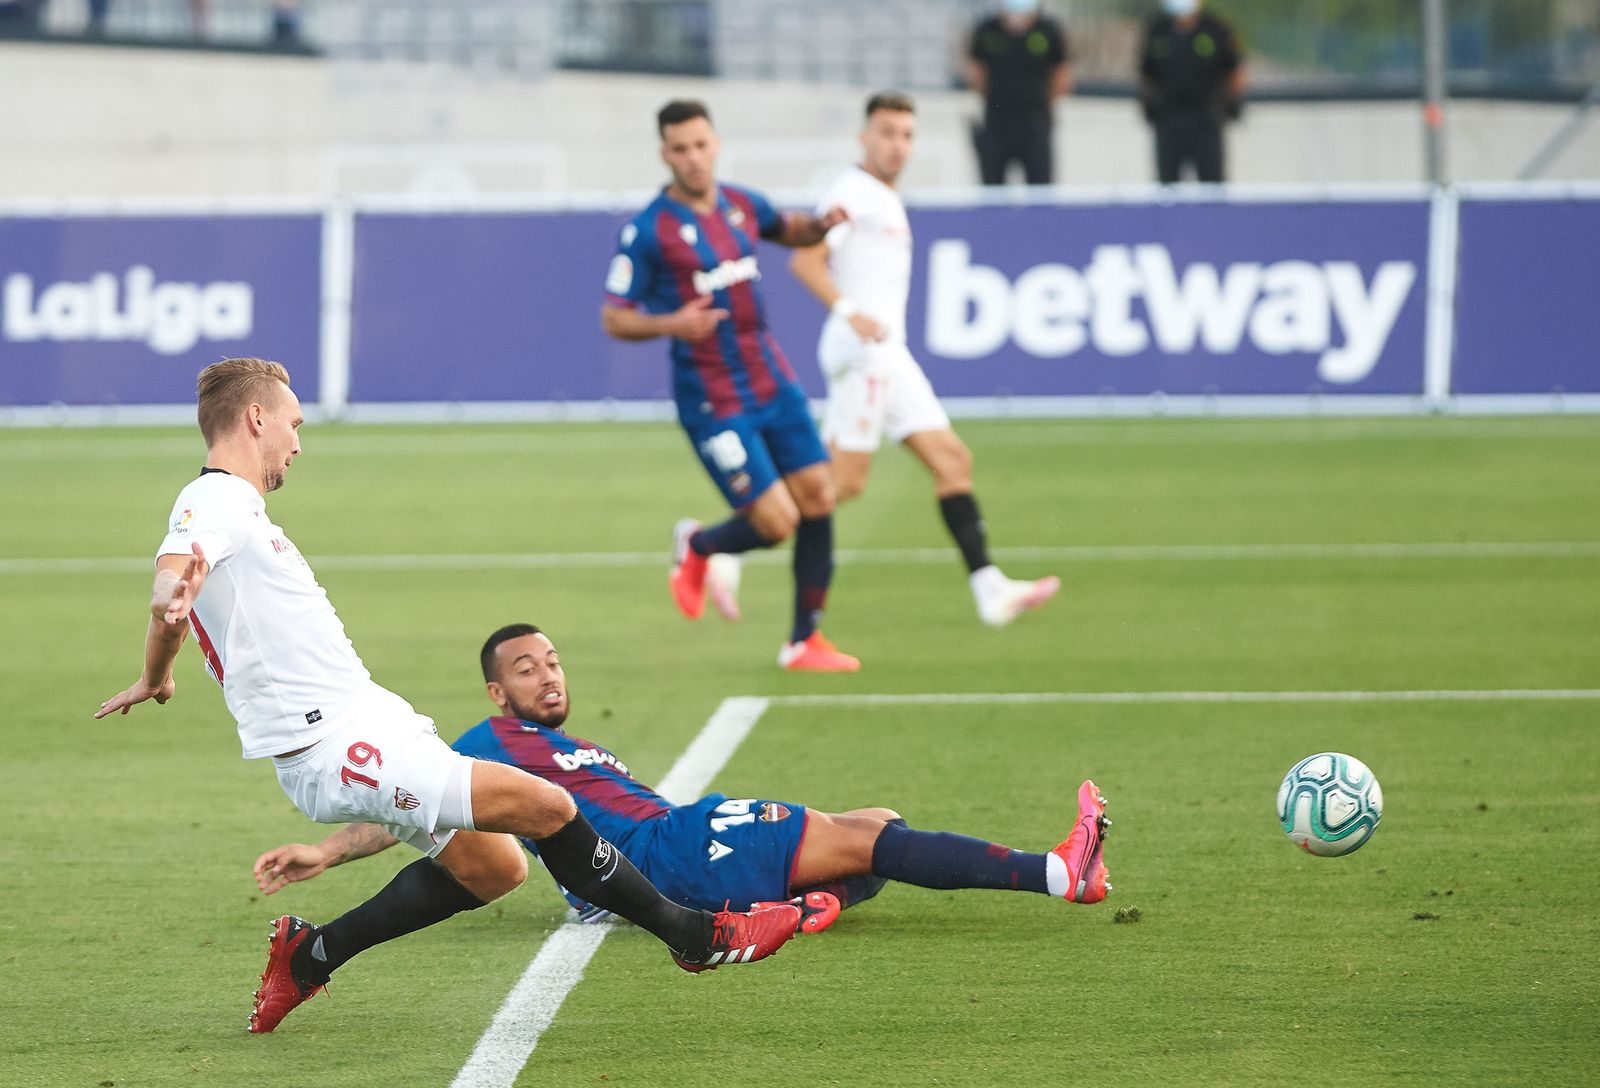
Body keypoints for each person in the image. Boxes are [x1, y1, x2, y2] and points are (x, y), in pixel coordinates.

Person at [94, 358, 807, 1034]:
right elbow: (175, 577)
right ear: (256, 418)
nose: (297, 443)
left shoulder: (239, 510)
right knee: (549, 806)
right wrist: (168, 596)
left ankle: (309, 956)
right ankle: (697, 937)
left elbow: (179, 602)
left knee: (496, 867)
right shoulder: (214, 497)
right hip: (333, 745)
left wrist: (158, 673)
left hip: (367, 716)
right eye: (294, 424)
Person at [253, 623, 1112, 929]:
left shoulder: (563, 744)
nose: (547, 677)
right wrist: (326, 852)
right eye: (525, 669)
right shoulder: (489, 742)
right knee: (870, 837)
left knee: (876, 826)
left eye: (552, 662)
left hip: (676, 840)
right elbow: (410, 803)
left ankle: (806, 907)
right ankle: (1057, 872)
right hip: (668, 852)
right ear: (496, 692)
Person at [600, 99, 860, 672]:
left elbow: (789, 229)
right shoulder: (648, 231)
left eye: (701, 145)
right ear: (665, 155)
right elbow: (614, 317)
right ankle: (698, 545)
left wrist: (822, 226)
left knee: (820, 496)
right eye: (680, 149)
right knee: (776, 523)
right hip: (712, 398)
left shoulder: (741, 204)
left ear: (715, 144)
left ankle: (804, 641)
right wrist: (673, 323)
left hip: (772, 380)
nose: (693, 158)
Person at [789, 92, 1060, 627]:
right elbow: (806, 260)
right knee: (843, 484)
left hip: (889, 353)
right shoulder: (852, 192)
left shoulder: (885, 197)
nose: (898, 145)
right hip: (864, 354)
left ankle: (990, 590)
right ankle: (724, 547)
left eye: (907, 135)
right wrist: (850, 312)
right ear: (864, 138)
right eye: (887, 133)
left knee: (953, 461)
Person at [1138, 0, 1247, 183]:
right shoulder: (1157, 29)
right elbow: (1145, 73)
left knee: (1212, 186)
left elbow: (1235, 71)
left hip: (1206, 119)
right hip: (1168, 118)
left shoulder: (1216, 28)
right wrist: (1151, 106)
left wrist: (1227, 105)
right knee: (1167, 185)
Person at [965, 0, 1072, 186]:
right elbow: (977, 74)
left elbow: (1061, 76)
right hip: (996, 122)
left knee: (1040, 188)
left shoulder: (1048, 30)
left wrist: (1041, 103)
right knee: (992, 187)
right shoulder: (987, 30)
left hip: (1036, 123)